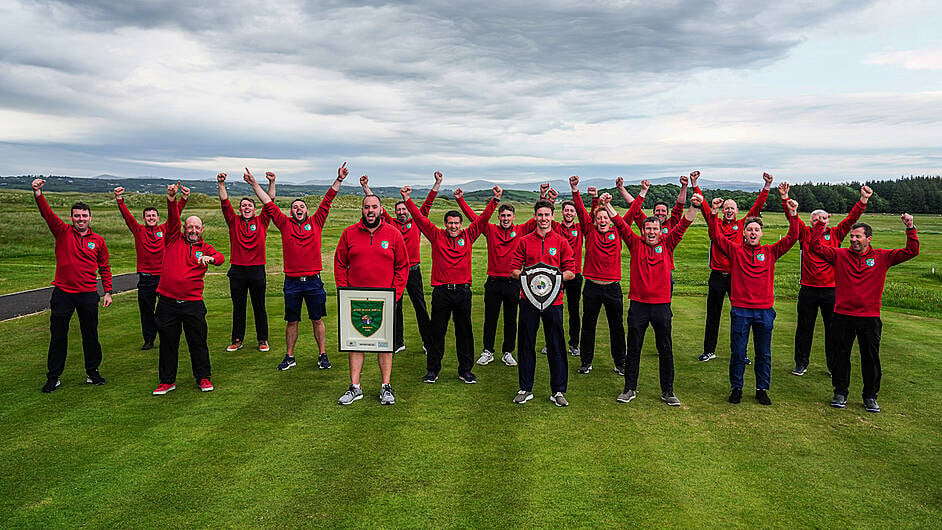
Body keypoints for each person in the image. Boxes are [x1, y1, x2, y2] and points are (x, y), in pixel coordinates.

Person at [809, 214, 919, 412]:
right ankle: (840, 392)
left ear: (869, 239)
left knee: (870, 357)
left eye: (858, 237)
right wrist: (820, 226)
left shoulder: (882, 257)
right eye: (852, 236)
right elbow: (815, 247)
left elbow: (912, 251)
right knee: (841, 355)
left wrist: (910, 227)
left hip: (869, 317)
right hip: (842, 315)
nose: (853, 240)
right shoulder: (839, 255)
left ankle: (870, 396)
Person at [701, 188, 800, 405]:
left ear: (761, 233)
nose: (753, 233)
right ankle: (736, 388)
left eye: (756, 230)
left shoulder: (771, 252)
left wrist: (793, 215)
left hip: (764, 311)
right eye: (749, 230)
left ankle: (761, 389)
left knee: (763, 354)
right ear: (744, 233)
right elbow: (715, 235)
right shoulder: (736, 251)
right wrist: (714, 213)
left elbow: (793, 237)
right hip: (741, 310)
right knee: (737, 352)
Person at [245, 164, 348, 371]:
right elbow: (267, 202)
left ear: (307, 210)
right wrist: (255, 183)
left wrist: (339, 179)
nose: (298, 209)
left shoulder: (317, 221)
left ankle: (322, 354)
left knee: (317, 319)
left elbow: (328, 200)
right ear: (291, 211)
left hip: (313, 282)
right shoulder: (284, 223)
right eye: (295, 207)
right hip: (292, 282)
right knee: (292, 321)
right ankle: (290, 356)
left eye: (301, 206)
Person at [402, 181, 500, 385]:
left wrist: (495, 200)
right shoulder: (436, 235)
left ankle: (466, 371)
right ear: (445, 224)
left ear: (460, 224)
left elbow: (482, 221)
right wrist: (407, 199)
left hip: (463, 292)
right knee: (437, 332)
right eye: (450, 223)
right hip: (441, 293)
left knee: (464, 332)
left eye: (457, 223)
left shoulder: (468, 235)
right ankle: (432, 370)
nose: (453, 226)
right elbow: (420, 219)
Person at [780, 182, 871, 376]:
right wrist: (785, 198)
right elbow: (792, 217)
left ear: (828, 220)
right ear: (811, 221)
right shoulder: (804, 233)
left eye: (823, 218)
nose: (820, 222)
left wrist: (863, 200)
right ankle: (801, 363)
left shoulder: (836, 233)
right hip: (808, 289)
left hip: (831, 290)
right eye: (816, 219)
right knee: (804, 328)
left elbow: (852, 218)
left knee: (834, 331)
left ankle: (833, 365)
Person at [617, 192, 699, 406]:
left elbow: (683, 224)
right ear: (642, 230)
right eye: (648, 229)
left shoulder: (668, 243)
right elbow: (620, 225)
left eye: (655, 229)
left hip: (662, 306)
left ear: (660, 230)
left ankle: (668, 391)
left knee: (665, 348)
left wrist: (696, 206)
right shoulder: (635, 244)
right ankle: (629, 388)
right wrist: (607, 205)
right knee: (634, 348)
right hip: (639, 306)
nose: (651, 232)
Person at [33, 178, 113, 393]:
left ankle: (92, 372)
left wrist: (108, 291)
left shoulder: (98, 240)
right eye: (77, 216)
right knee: (58, 334)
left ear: (90, 218)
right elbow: (47, 214)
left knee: (90, 334)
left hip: (88, 293)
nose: (80, 219)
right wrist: (38, 193)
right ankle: (54, 376)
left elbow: (104, 267)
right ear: (71, 218)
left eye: (84, 216)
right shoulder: (62, 231)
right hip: (63, 293)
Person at [334, 195, 410, 405]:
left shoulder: (393, 234)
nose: (370, 211)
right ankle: (355, 387)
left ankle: (386, 386)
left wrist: (396, 292)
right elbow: (340, 263)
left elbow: (402, 266)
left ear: (381, 209)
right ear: (362, 209)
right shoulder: (349, 233)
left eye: (374, 207)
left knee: (384, 344)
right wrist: (343, 289)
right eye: (367, 207)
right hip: (355, 300)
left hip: (384, 300)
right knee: (356, 342)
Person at [152, 182, 225, 395]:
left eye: (197, 227)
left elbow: (221, 258)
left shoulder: (205, 246)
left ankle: (203, 378)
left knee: (198, 342)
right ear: (185, 228)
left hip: (193, 303)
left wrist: (210, 258)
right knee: (168, 343)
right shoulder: (173, 238)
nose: (193, 230)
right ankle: (167, 381)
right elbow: (173, 219)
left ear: (202, 230)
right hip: (167, 302)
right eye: (189, 227)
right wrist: (172, 199)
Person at [569, 176, 644, 376]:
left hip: (612, 288)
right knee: (588, 326)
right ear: (594, 220)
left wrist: (643, 192)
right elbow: (579, 210)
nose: (602, 220)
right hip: (592, 287)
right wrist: (575, 189)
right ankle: (586, 362)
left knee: (617, 327)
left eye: (605, 218)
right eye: (599, 218)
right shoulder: (589, 231)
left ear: (611, 220)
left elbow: (634, 211)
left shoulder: (619, 231)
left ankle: (620, 363)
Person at [359, 173, 439, 354]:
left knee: (420, 307)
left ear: (409, 210)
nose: (402, 212)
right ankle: (397, 342)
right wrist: (366, 187)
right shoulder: (390, 223)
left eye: (404, 210)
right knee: (395, 306)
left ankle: (428, 342)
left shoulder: (417, 222)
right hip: (395, 273)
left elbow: (427, 204)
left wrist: (437, 183)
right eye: (399, 210)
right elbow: (376, 207)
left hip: (413, 271)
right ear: (395, 212)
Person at [456, 187, 536, 367]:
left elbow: (538, 217)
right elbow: (475, 219)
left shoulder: (521, 230)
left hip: (513, 282)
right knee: (490, 319)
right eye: (503, 216)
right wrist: (461, 199)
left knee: (510, 319)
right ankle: (488, 351)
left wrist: (544, 196)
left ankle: (508, 352)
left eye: (509, 216)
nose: (506, 219)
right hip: (493, 282)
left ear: (513, 217)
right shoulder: (490, 230)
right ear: (498, 217)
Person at [698, 172, 773, 362]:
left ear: (737, 211)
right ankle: (709, 350)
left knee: (742, 316)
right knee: (713, 315)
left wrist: (767, 186)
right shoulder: (715, 222)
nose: (729, 210)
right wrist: (694, 183)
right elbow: (704, 206)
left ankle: (742, 353)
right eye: (726, 208)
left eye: (732, 208)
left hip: (737, 278)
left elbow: (757, 207)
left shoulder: (743, 226)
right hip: (717, 276)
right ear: (722, 210)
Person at [510, 199, 576, 406]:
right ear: (535, 216)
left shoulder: (561, 241)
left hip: (553, 301)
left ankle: (558, 391)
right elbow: (513, 269)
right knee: (526, 344)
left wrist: (552, 279)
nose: (543, 218)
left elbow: (571, 271)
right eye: (540, 215)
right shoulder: (524, 240)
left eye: (547, 215)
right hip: (528, 300)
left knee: (556, 345)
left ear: (552, 216)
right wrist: (530, 279)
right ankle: (525, 388)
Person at [114, 185, 188, 350]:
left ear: (157, 217)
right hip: (146, 279)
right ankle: (149, 339)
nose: (151, 218)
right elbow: (127, 217)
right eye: (148, 216)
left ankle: (166, 338)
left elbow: (175, 217)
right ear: (144, 218)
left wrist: (183, 199)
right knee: (146, 312)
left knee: (165, 311)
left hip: (163, 278)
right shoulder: (138, 230)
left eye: (153, 215)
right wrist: (120, 200)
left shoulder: (164, 229)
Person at [217, 170, 276, 353]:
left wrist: (272, 182)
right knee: (239, 307)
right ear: (240, 209)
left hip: (257, 270)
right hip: (238, 271)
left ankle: (262, 340)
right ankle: (237, 340)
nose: (246, 208)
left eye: (249, 205)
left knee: (259, 306)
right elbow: (224, 201)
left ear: (254, 208)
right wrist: (221, 184)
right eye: (243, 205)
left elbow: (270, 201)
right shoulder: (233, 221)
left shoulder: (262, 221)